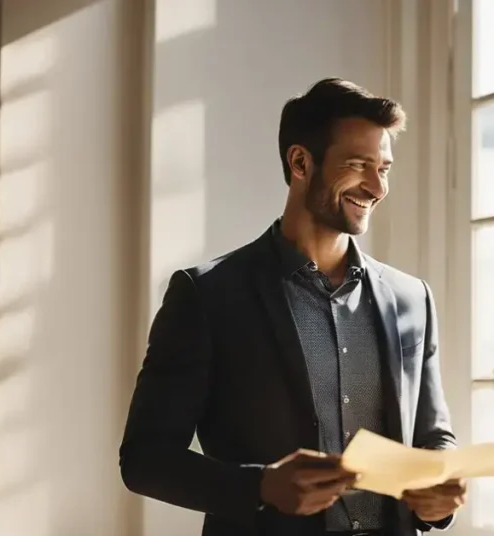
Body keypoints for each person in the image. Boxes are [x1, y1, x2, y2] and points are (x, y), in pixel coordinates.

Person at [119, 78, 465, 536]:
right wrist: (260, 487)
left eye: (384, 167)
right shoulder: (207, 296)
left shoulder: (411, 298)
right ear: (300, 161)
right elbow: (145, 458)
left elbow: (432, 436)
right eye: (359, 164)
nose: (377, 186)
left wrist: (438, 495)